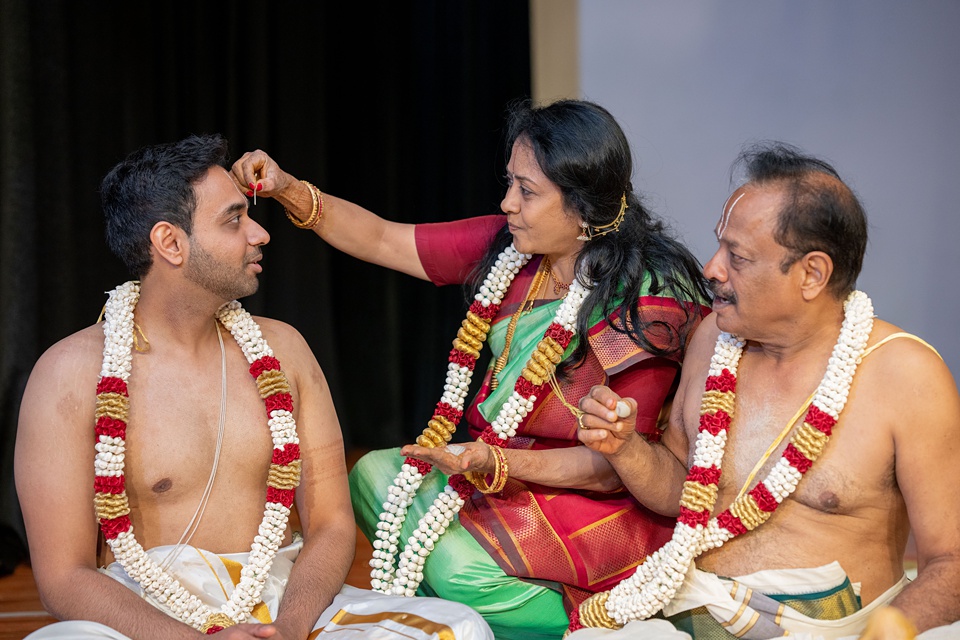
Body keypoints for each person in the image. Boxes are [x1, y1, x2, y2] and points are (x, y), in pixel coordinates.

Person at [229, 98, 712, 639]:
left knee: (456, 567)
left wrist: (494, 462)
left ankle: (591, 620)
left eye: (526, 192)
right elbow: (384, 238)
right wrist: (288, 188)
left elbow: (619, 462)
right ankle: (478, 611)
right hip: (498, 472)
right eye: (510, 182)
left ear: (582, 208)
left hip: (593, 499)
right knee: (374, 478)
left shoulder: (645, 297)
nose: (507, 203)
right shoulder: (511, 248)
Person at [15, 134, 492, 640]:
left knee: (458, 628)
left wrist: (287, 629)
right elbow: (64, 577)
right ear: (170, 243)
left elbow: (329, 526)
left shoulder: (283, 349)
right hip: (146, 611)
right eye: (233, 219)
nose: (260, 234)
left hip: (283, 601)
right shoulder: (69, 373)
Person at [570, 142, 960, 639]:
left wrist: (888, 634)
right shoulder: (713, 338)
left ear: (812, 274)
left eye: (738, 256)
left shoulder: (906, 375)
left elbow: (951, 563)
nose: (711, 269)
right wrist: (624, 448)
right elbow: (685, 494)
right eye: (719, 246)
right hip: (692, 613)